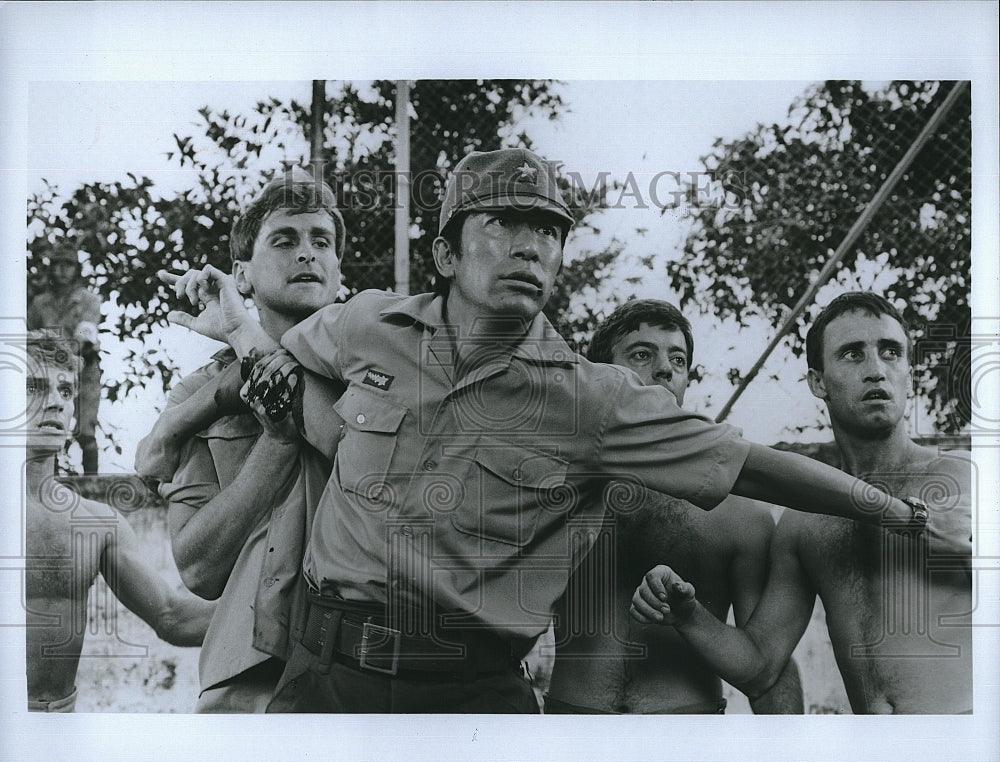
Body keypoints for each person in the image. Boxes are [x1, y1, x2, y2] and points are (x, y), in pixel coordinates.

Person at [163, 149, 929, 714]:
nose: (530, 246)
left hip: (467, 695)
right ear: (444, 252)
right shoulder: (367, 324)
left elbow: (755, 467)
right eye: (504, 226)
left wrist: (899, 513)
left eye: (548, 233)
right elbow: (277, 363)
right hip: (319, 676)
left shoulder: (593, 400)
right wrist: (214, 358)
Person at [631, 292, 973, 714]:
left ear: (908, 372)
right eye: (852, 354)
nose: (876, 370)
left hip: (966, 749)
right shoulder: (803, 524)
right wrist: (687, 615)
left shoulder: (967, 478)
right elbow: (759, 665)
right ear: (818, 382)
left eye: (891, 352)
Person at [134, 175, 341, 712]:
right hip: (250, 679)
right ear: (241, 277)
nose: (308, 255)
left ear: (339, 273)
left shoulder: (377, 367)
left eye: (323, 241)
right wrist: (274, 445)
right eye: (285, 239)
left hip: (370, 670)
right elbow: (200, 569)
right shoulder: (199, 393)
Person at [545, 299, 803, 714]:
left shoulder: (741, 514)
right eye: (642, 354)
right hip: (572, 726)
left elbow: (766, 666)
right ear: (602, 376)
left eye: (677, 359)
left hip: (689, 738)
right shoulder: (559, 491)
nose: (665, 368)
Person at [24, 332, 213, 712]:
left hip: (57, 725)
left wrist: (277, 611)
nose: (57, 402)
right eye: (34, 387)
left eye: (65, 391)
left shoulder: (96, 523)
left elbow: (171, 616)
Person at [28, 245, 103, 474]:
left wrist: (59, 349)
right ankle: (48, 482)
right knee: (46, 427)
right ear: (50, 269)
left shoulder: (88, 300)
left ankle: (94, 485)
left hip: (84, 370)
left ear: (76, 269)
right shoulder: (40, 303)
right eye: (57, 264)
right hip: (49, 374)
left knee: (86, 431)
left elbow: (85, 337)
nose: (62, 270)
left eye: (68, 265)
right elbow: (29, 339)